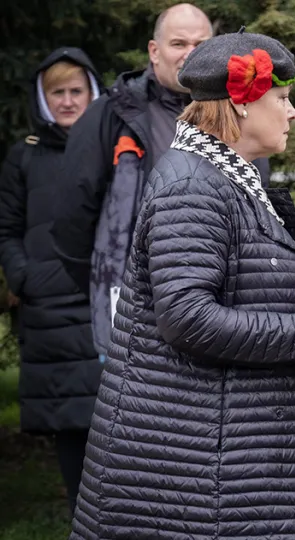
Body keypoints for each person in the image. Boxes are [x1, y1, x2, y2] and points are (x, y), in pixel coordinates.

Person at [68, 31, 295, 540]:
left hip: (222, 462)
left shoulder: (227, 179)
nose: (293, 114)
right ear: (241, 105)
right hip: (200, 477)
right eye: (282, 100)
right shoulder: (193, 185)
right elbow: (185, 317)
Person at [49, 4, 272, 361]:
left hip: (223, 311)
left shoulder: (240, 114)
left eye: (200, 44)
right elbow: (71, 222)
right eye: (178, 43)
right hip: (133, 314)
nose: (189, 54)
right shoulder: (110, 115)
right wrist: (110, 275)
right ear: (154, 52)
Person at [0, 47, 102, 516]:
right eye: (56, 92)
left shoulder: (111, 145)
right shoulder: (24, 157)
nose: (66, 101)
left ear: (91, 93)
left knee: (118, 421)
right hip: (49, 310)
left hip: (102, 301)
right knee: (71, 427)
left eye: (75, 91)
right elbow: (7, 228)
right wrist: (24, 276)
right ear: (42, 99)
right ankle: (83, 521)